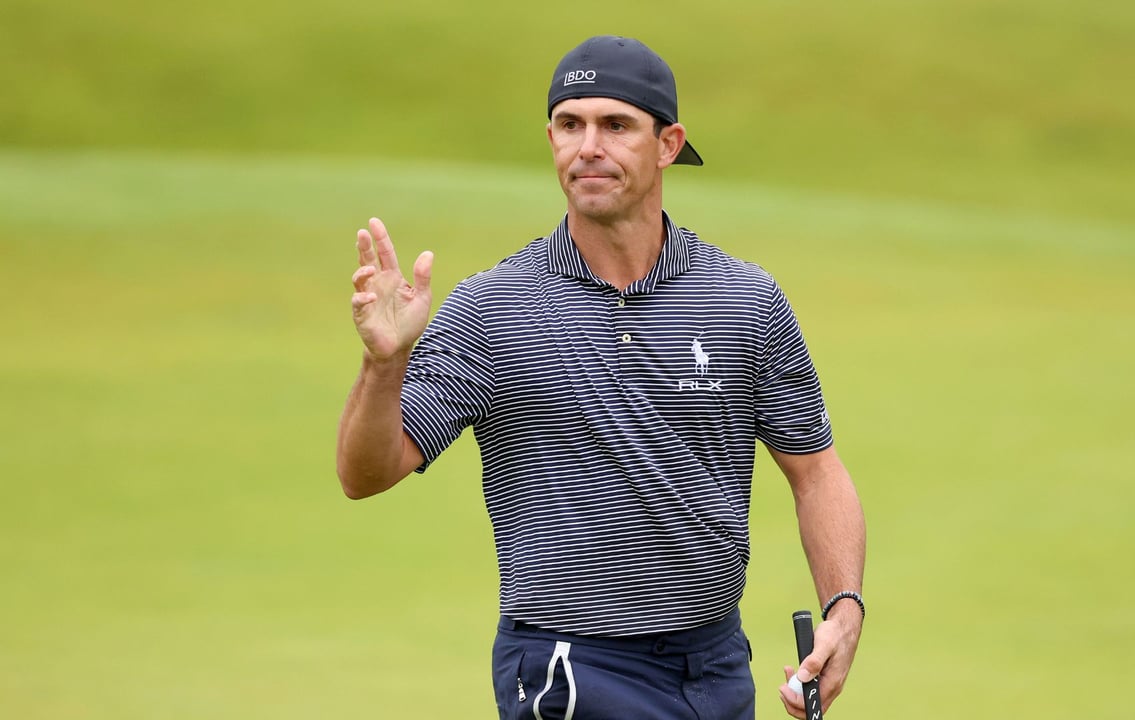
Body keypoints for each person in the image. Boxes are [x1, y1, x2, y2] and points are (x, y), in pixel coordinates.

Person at [336, 35, 866, 720]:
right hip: (567, 665)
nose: (587, 146)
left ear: (668, 143)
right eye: (569, 124)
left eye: (616, 125)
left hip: (715, 665)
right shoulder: (493, 308)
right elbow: (365, 473)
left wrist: (844, 608)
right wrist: (384, 366)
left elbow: (816, 471)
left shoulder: (744, 301)